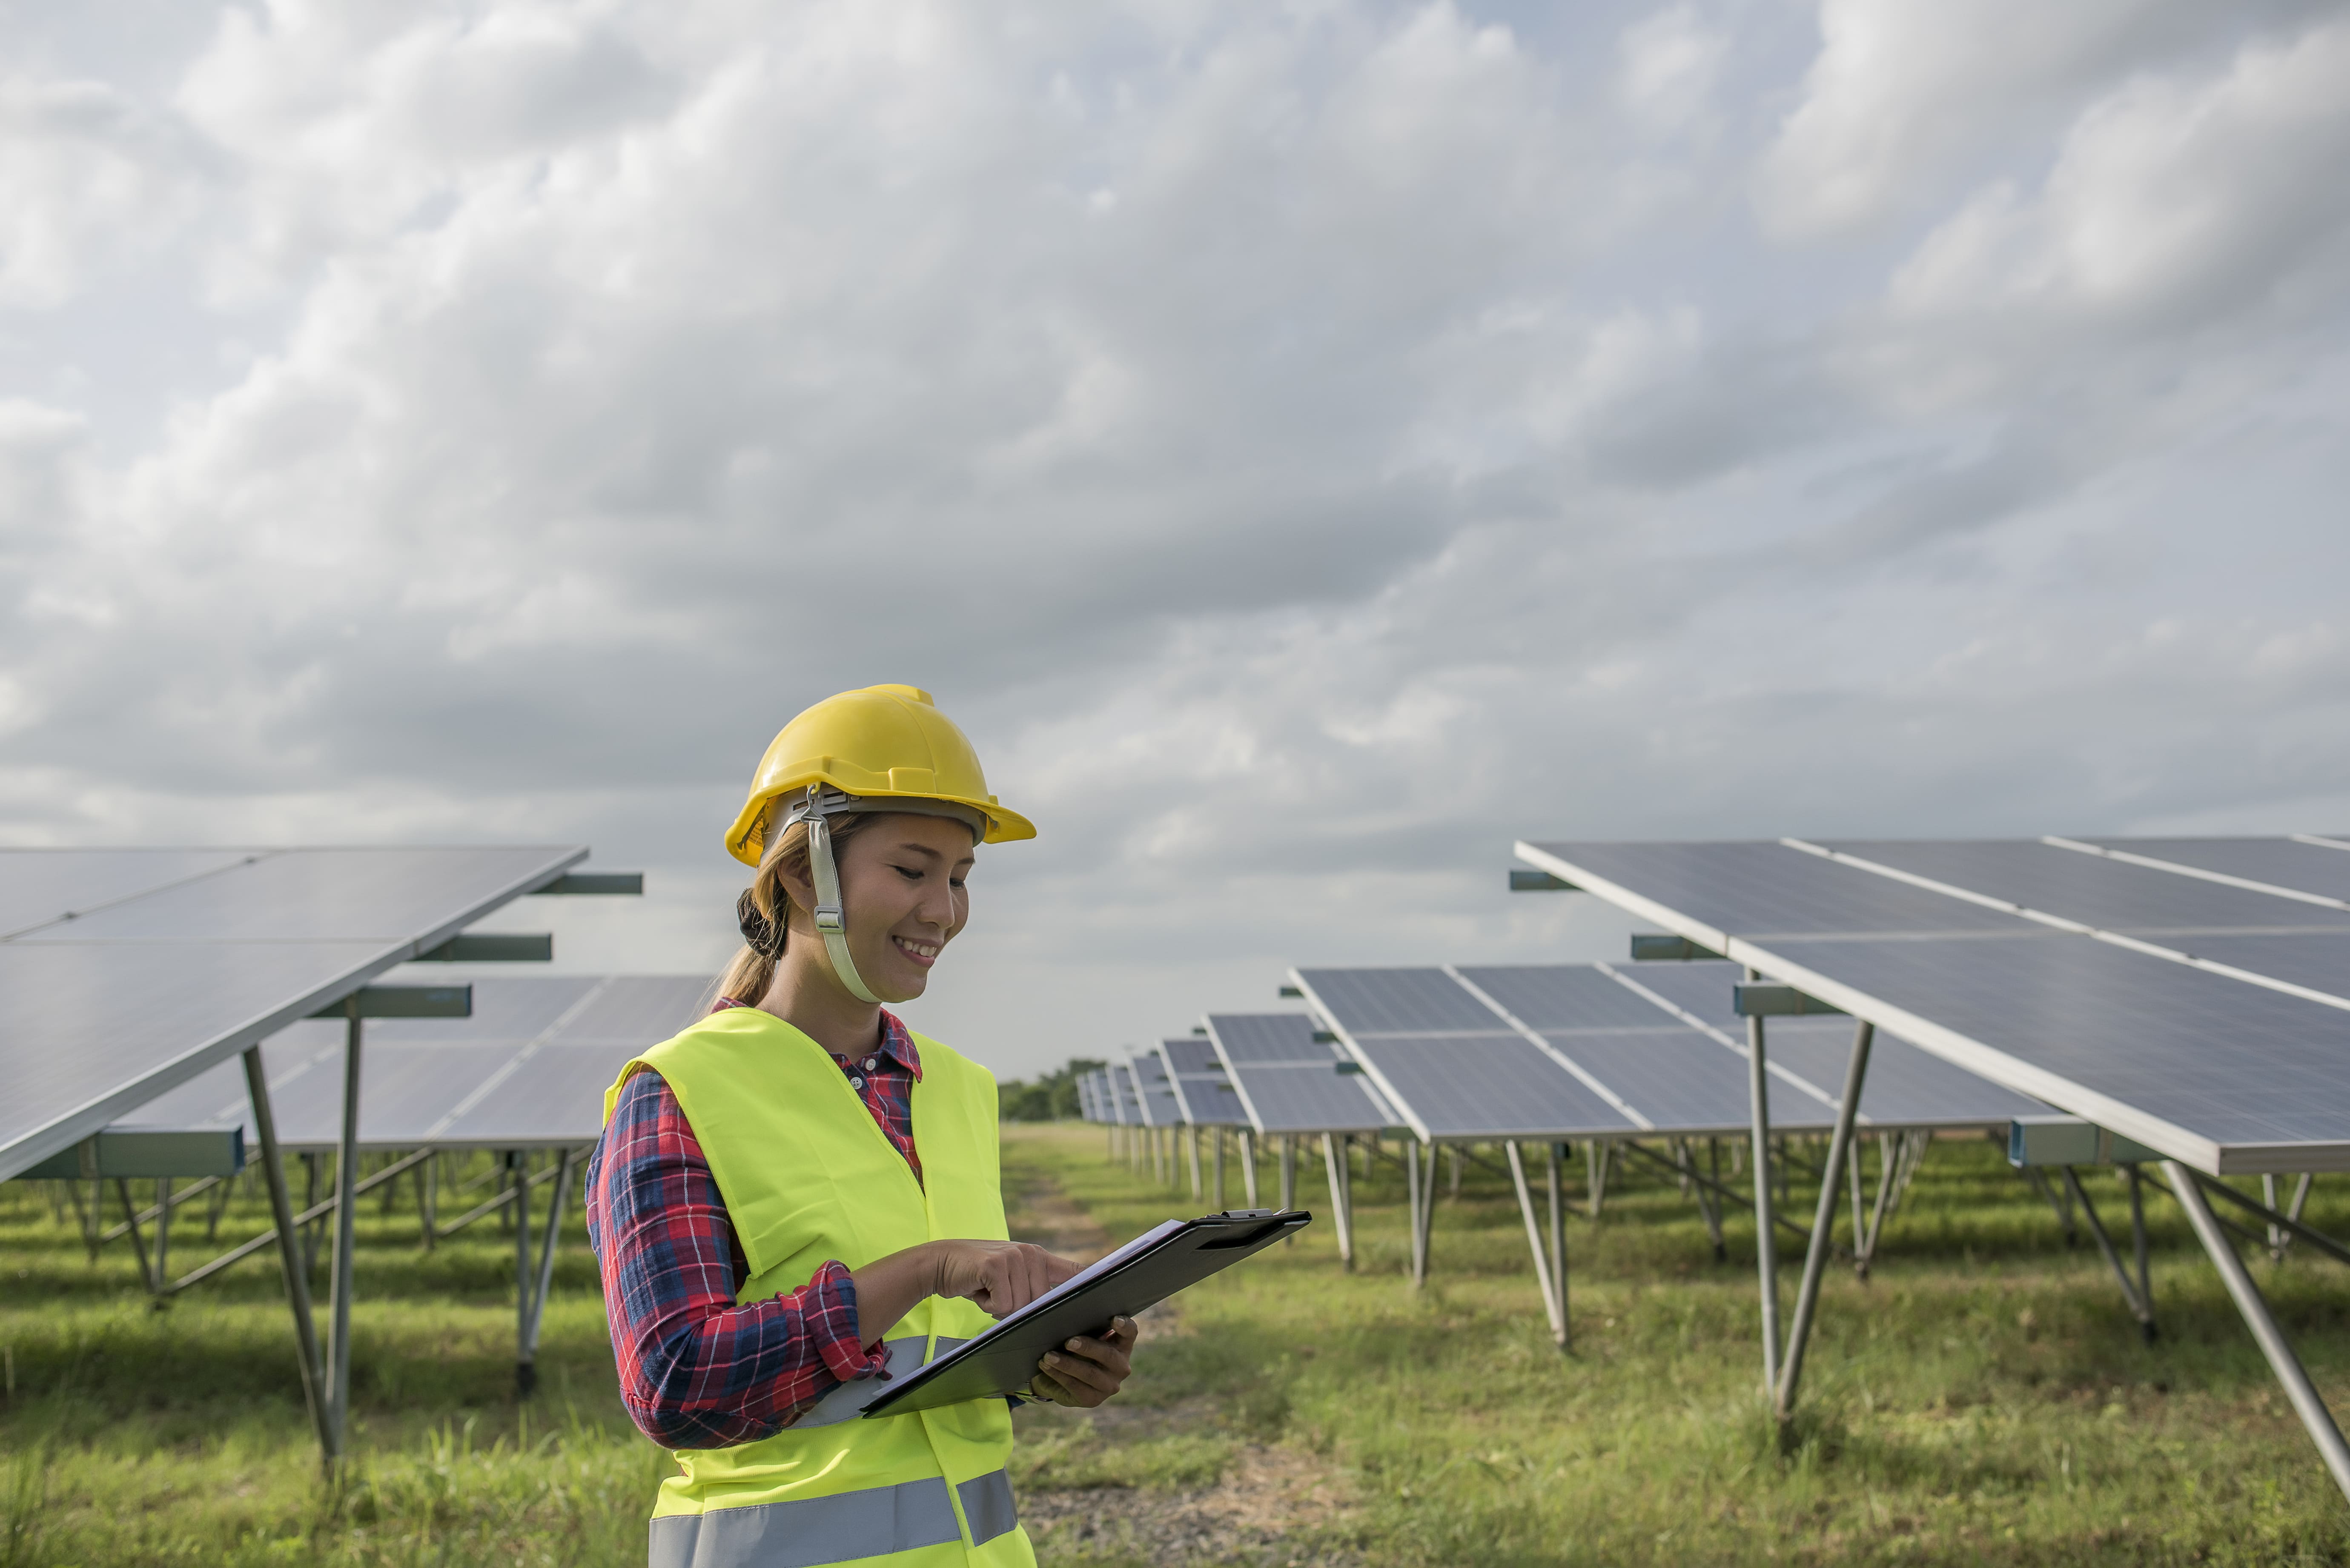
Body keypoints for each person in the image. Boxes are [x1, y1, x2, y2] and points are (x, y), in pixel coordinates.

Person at [587, 684, 1136, 1568]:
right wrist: (928, 1269)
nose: (944, 911)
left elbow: (921, 1378)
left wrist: (1046, 1366)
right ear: (803, 874)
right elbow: (677, 1385)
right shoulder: (680, 1092)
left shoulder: (956, 1091)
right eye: (913, 871)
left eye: (960, 878)